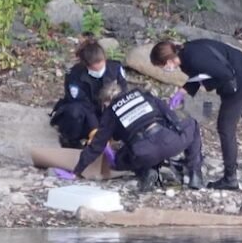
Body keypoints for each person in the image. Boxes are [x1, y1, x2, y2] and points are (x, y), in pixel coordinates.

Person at [149, 39, 242, 190]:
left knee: (226, 128)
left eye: (161, 66)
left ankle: (230, 178)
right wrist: (182, 91)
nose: (163, 70)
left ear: (168, 61)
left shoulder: (192, 59)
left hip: (240, 80)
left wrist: (210, 87)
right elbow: (202, 74)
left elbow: (223, 74)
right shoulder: (187, 52)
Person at [72, 81, 204, 192]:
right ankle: (195, 174)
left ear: (106, 102)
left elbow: (96, 145)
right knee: (192, 124)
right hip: (169, 142)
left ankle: (146, 171)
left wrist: (77, 170)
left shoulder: (110, 111)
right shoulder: (143, 95)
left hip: (143, 154)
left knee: (119, 158)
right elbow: (172, 118)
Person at [50, 39, 128, 148]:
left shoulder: (115, 68)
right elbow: (82, 104)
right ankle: (71, 141)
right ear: (86, 65)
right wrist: (94, 129)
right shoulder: (74, 75)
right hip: (86, 116)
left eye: (101, 66)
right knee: (74, 111)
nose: (99, 71)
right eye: (95, 69)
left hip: (109, 112)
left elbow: (123, 93)